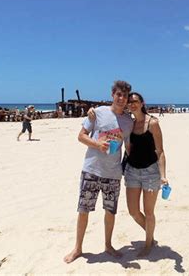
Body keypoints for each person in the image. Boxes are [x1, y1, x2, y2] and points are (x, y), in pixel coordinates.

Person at [63, 80, 133, 264]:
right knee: (83, 210)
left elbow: (129, 147)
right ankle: (78, 248)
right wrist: (97, 144)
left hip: (113, 174)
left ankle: (108, 245)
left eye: (125, 96)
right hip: (91, 170)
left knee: (110, 212)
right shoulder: (98, 113)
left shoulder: (128, 122)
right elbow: (81, 136)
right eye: (118, 94)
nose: (121, 98)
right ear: (112, 95)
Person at [124, 92, 168, 257]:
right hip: (132, 171)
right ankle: (151, 233)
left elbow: (160, 151)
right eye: (129, 102)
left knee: (149, 212)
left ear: (142, 103)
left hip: (151, 172)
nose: (132, 104)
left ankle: (148, 243)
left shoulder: (153, 123)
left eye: (135, 101)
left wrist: (163, 175)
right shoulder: (130, 124)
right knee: (133, 211)